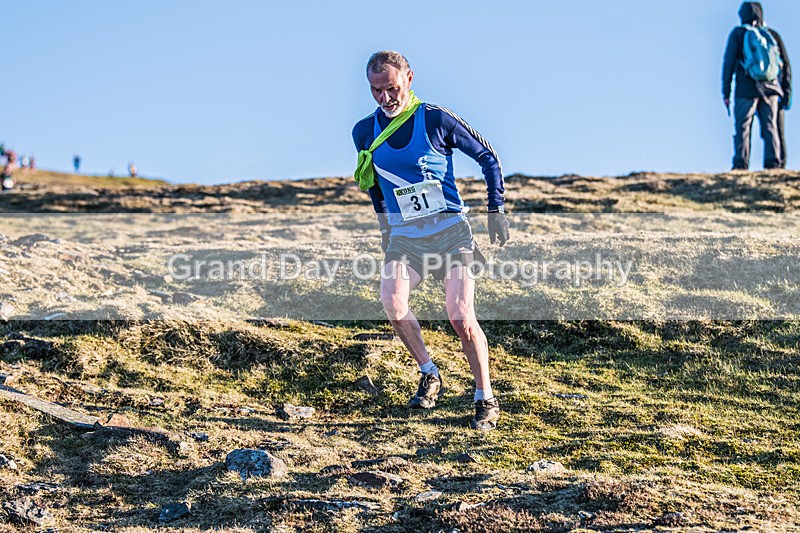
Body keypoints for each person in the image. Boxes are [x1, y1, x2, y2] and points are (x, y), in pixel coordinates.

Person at [352, 51, 509, 430]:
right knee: (391, 302)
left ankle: (485, 396)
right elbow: (375, 188)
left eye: (391, 88)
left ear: (409, 78)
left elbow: (487, 156)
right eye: (376, 91)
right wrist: (386, 230)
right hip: (405, 238)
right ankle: (429, 372)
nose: (385, 98)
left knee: (460, 317)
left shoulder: (435, 119)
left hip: (451, 233)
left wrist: (495, 209)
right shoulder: (363, 132)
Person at [722, 2, 791, 170]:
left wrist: (726, 91)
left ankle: (740, 164)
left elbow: (729, 64)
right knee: (770, 127)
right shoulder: (772, 34)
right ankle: (773, 163)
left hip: (745, 90)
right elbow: (786, 66)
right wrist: (786, 92)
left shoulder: (738, 34)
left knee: (743, 128)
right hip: (772, 89)